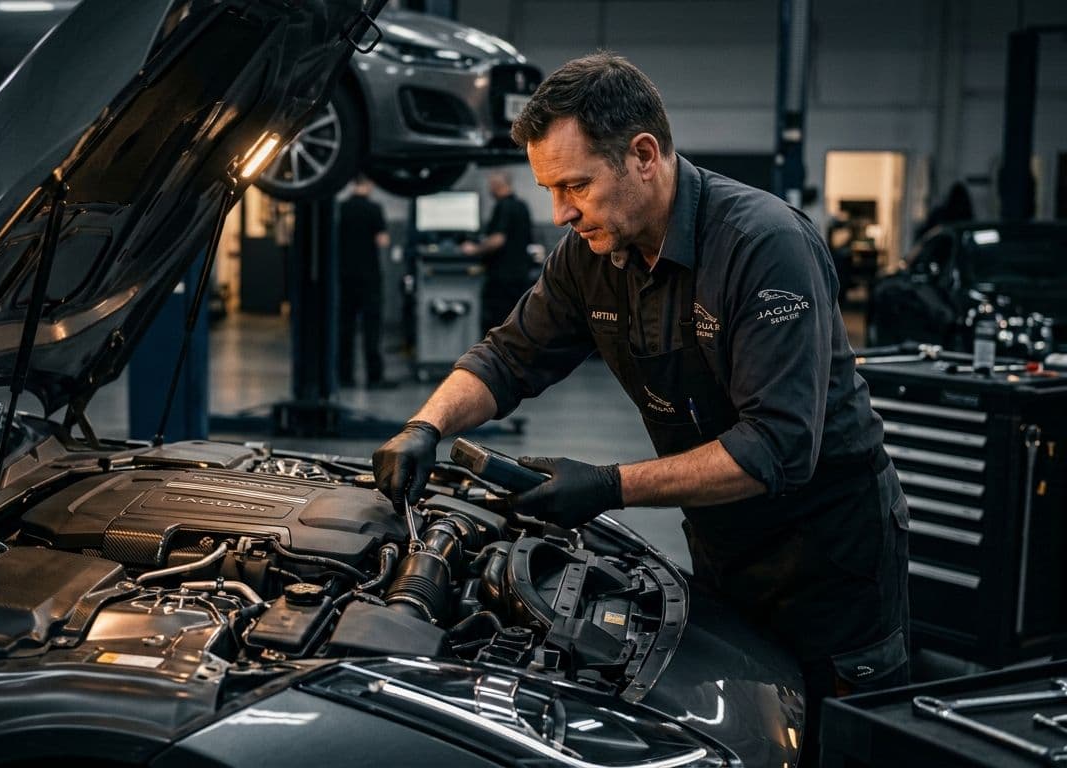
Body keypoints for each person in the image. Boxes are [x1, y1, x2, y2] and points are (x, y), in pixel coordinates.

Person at [372, 52, 908, 765]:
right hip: (723, 542)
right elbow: (508, 356)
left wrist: (608, 485)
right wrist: (425, 425)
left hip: (829, 557)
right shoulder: (589, 252)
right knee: (752, 732)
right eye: (551, 189)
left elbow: (777, 447)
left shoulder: (762, 245)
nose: (561, 211)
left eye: (575, 186)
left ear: (644, 156)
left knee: (835, 744)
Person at [336, 176, 393, 388]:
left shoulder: (341, 208)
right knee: (372, 328)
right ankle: (374, 377)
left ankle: (344, 376)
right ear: (370, 184)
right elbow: (383, 240)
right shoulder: (374, 208)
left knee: (345, 327)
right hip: (369, 276)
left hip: (344, 275)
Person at [461, 171, 534, 331]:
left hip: (502, 276)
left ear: (497, 185)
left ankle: (496, 356)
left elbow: (498, 239)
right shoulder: (522, 206)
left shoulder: (503, 206)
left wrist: (475, 249)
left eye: (490, 185)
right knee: (515, 320)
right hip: (520, 274)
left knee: (498, 323)